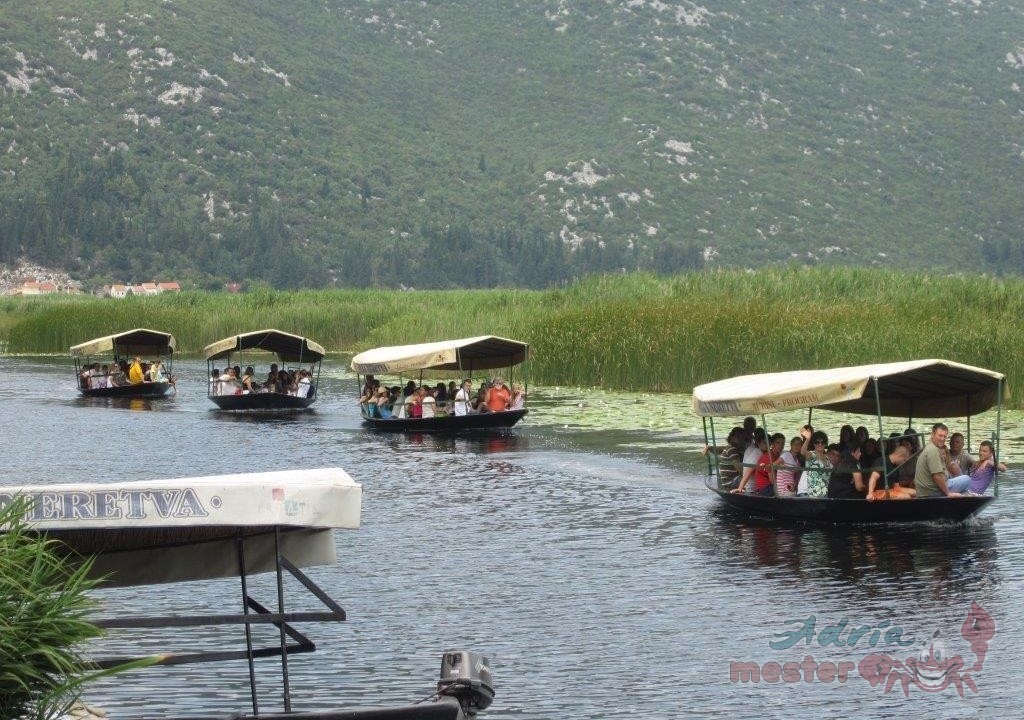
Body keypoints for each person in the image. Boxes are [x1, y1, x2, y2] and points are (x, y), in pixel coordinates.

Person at [914, 423, 961, 498]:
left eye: (944, 436)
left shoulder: (929, 447)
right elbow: (937, 477)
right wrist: (948, 493)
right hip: (931, 492)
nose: (942, 439)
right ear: (932, 434)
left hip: (927, 490)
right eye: (940, 435)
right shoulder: (933, 450)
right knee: (966, 479)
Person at [733, 430, 772, 495]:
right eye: (764, 443)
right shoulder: (758, 454)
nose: (767, 445)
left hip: (752, 485)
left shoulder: (759, 451)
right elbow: (748, 472)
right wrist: (740, 488)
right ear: (759, 443)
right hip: (753, 488)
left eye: (769, 443)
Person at [799, 427, 831, 498]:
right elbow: (803, 452)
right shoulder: (811, 454)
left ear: (825, 444)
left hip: (824, 494)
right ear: (813, 443)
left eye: (822, 442)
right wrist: (807, 439)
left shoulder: (828, 458)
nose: (820, 444)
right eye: (817, 442)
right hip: (811, 494)